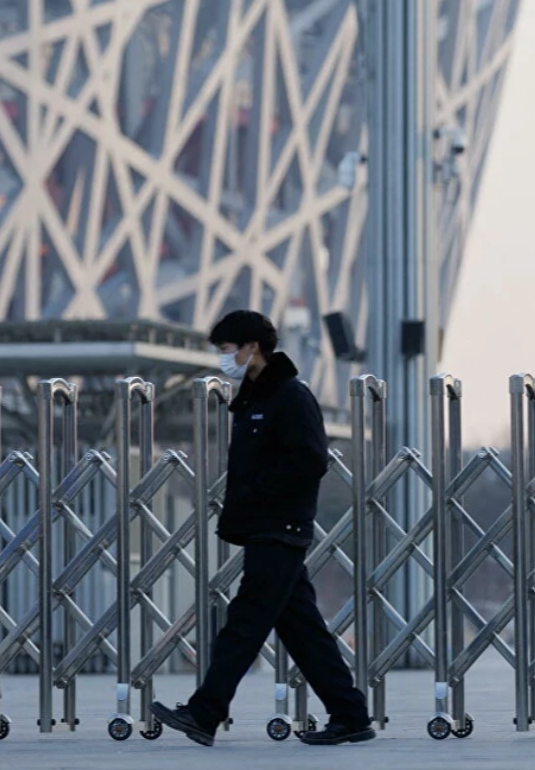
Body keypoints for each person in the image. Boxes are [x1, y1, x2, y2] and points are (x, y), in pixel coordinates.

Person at [153, 311, 374, 747]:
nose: (224, 359)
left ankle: (205, 712)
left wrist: (259, 492)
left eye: (227, 350)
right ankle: (350, 715)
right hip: (267, 526)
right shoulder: (258, 398)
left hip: (280, 525)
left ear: (252, 347)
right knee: (301, 628)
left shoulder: (290, 396)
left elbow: (311, 459)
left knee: (246, 621)